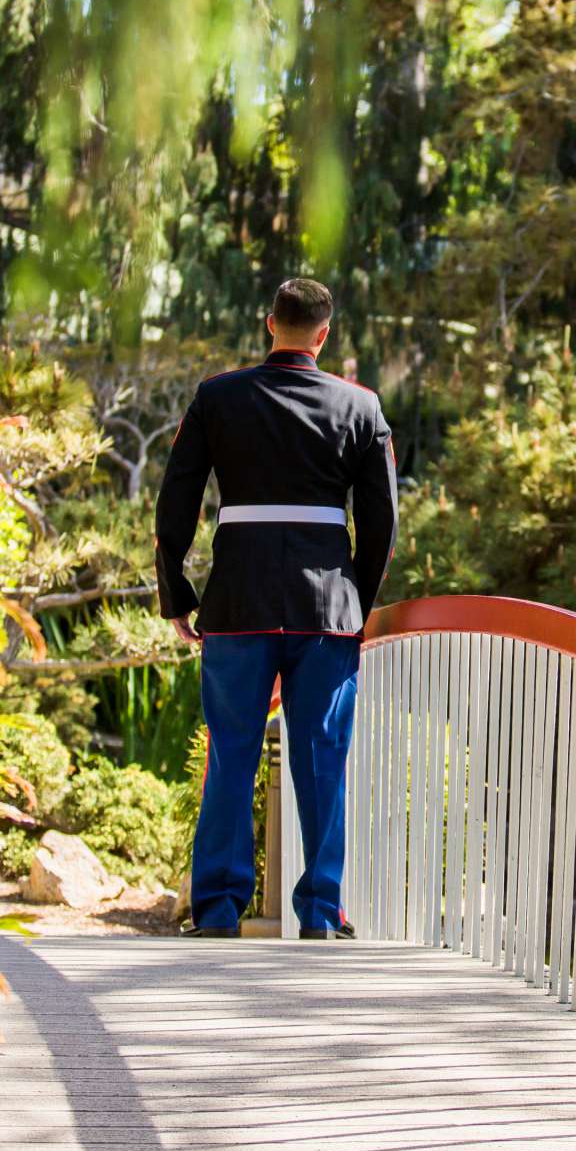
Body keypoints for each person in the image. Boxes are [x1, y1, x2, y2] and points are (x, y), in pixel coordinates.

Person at [154, 278, 398, 939]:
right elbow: (381, 523)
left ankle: (218, 910)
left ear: (270, 325)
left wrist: (175, 589)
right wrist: (359, 605)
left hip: (237, 601)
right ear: (324, 333)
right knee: (321, 756)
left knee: (231, 753)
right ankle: (320, 912)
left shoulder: (218, 398)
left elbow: (176, 499)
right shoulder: (361, 406)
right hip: (326, 610)